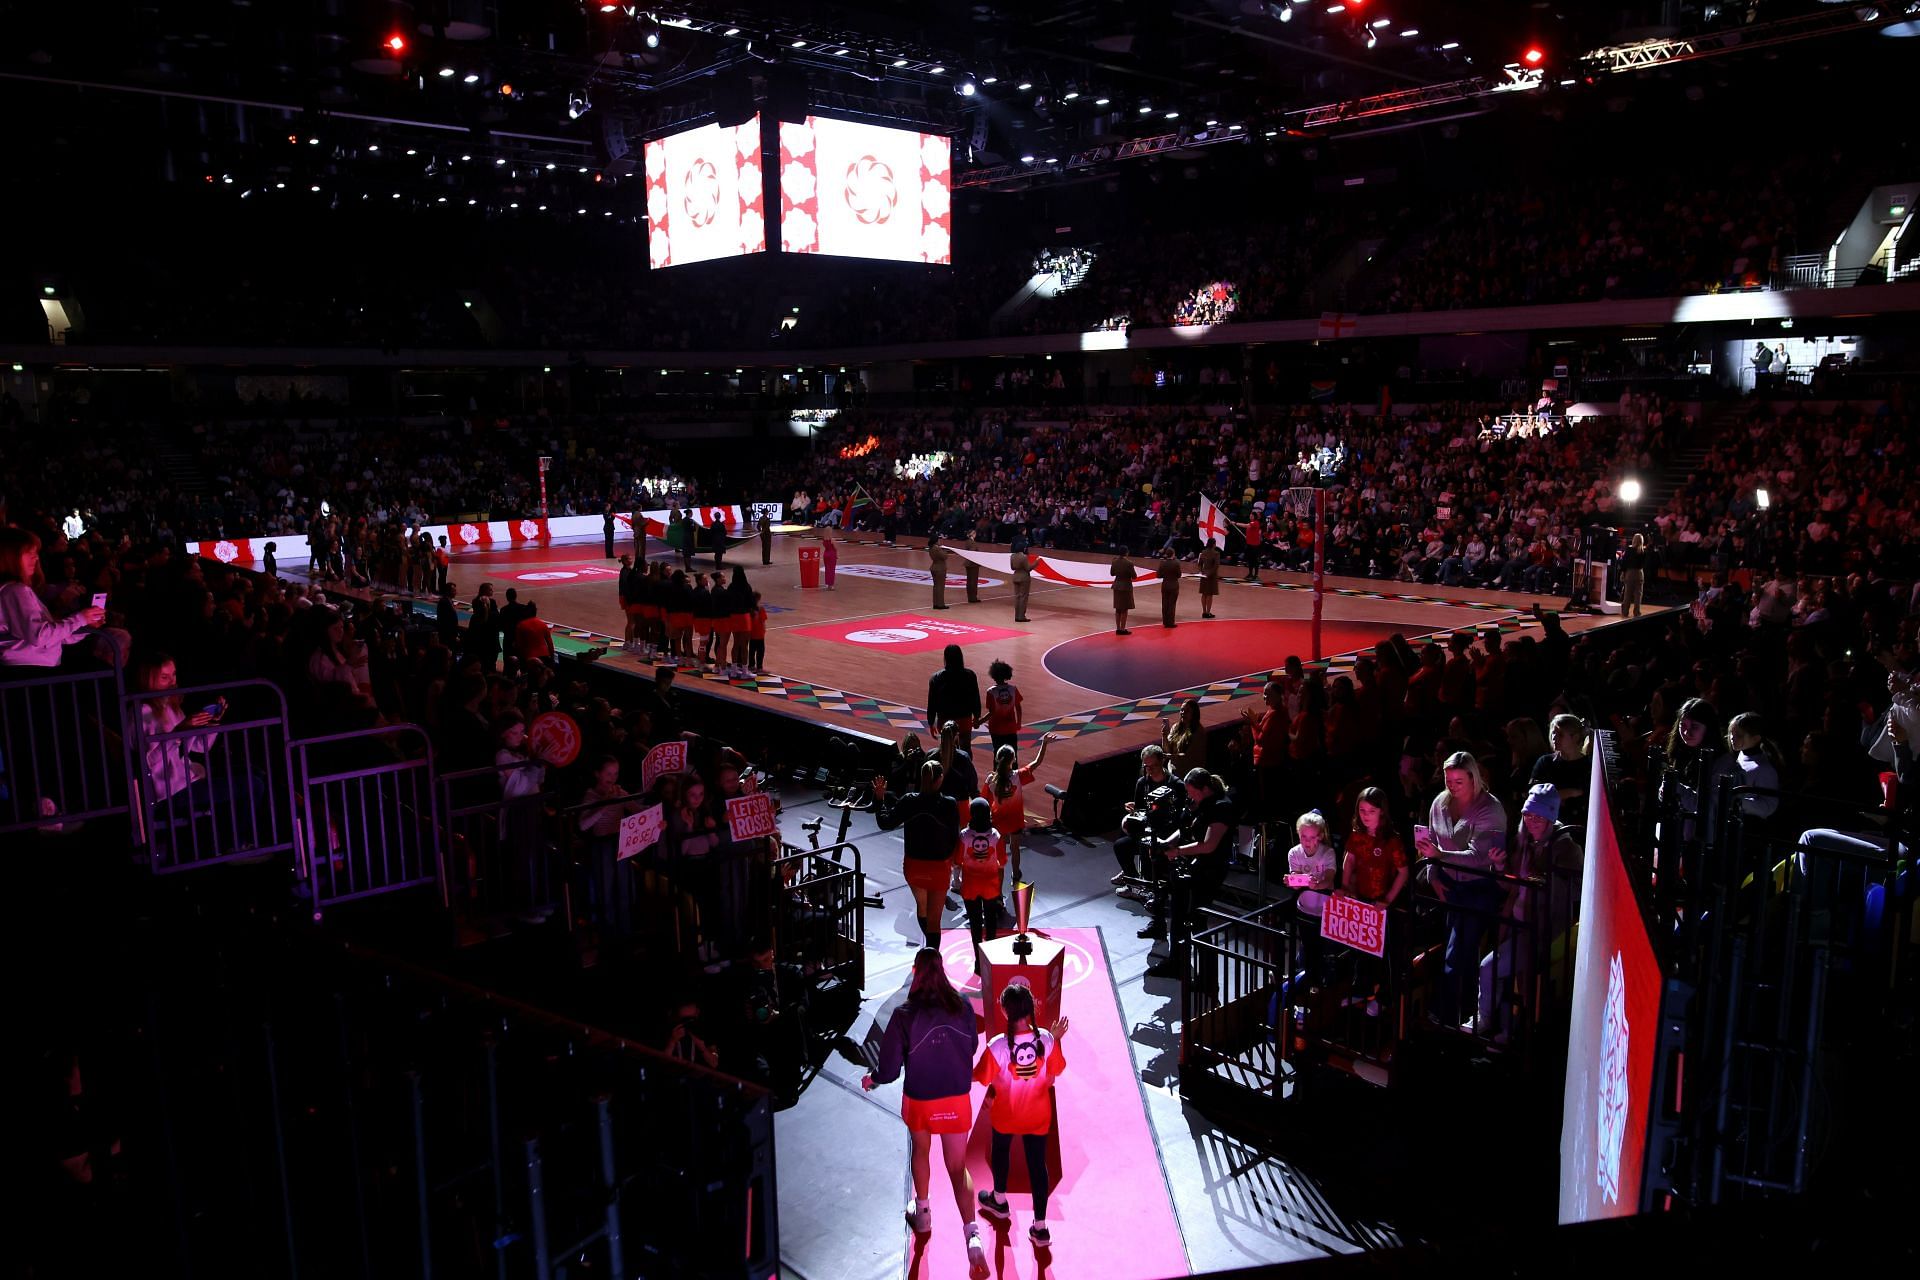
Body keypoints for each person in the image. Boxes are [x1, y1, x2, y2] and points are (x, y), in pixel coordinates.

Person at [862, 948, 987, 1273]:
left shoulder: (905, 1014)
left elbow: (888, 1069)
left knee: (921, 1151)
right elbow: (972, 1045)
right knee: (957, 1167)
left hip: (920, 1099)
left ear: (916, 972)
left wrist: (872, 1079)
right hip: (956, 1098)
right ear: (942, 970)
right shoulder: (961, 1005)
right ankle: (972, 1235)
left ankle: (924, 1212)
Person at [1476, 783, 1583, 1039]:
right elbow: (1509, 885)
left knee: (1493, 969)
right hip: (1518, 923)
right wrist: (1499, 866)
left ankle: (1500, 1027)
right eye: (1528, 815)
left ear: (1551, 816)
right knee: (1506, 975)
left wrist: (1550, 880)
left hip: (1543, 929)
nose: (1532, 821)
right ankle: (1501, 1027)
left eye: (1539, 816)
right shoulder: (1524, 841)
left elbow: (1578, 891)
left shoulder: (1565, 847)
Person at [1415, 751, 1510, 1025]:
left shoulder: (1490, 809)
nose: (1452, 786)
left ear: (1473, 778)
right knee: (1451, 949)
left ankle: (1449, 1015)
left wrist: (1439, 856)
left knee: (1459, 952)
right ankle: (1457, 1011)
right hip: (1448, 884)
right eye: (1449, 780)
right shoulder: (1439, 803)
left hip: (1478, 887)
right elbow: (1430, 841)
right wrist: (1433, 872)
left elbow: (1480, 857)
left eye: (1459, 781)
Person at [973, 982, 1069, 1248]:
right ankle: (1040, 1228)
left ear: (1005, 1012)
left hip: (1006, 1115)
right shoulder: (1047, 1040)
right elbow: (1058, 1070)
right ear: (1031, 1009)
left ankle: (999, 1201)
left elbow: (981, 1077)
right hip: (1037, 1116)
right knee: (1038, 1166)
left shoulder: (997, 1046)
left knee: (1000, 1152)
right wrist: (1057, 1039)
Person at [1144, 768, 1237, 976]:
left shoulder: (1222, 808)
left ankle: (1207, 975)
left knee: (1196, 919)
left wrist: (1177, 851)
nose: (1190, 796)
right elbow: (1186, 828)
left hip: (1209, 870)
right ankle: (1177, 962)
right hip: (1192, 867)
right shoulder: (1198, 804)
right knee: (1178, 915)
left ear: (1204, 789)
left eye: (1192, 791)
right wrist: (1168, 843)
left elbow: (1208, 845)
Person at [874, 759, 962, 950]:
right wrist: (956, 861)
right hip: (939, 868)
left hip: (914, 867)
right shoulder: (948, 804)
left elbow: (885, 823)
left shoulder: (908, 801)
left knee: (922, 907)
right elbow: (955, 836)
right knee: (934, 921)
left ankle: (929, 952)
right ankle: (933, 957)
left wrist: (879, 800)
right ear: (939, 780)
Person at [1341, 786, 1409, 1016]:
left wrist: (1388, 899)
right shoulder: (1356, 835)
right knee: (1360, 948)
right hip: (1360, 899)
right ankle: (1360, 990)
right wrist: (1346, 886)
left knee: (1382, 953)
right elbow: (1349, 861)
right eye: (1362, 810)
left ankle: (1382, 998)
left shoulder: (1391, 840)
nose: (1366, 815)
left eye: (1371, 810)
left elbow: (1403, 872)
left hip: (1381, 904)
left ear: (1382, 811)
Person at [0, 527, 105, 669]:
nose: (35, 558)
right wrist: (81, 619)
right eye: (28, 552)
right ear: (10, 556)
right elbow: (40, 636)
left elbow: (53, 637)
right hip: (29, 669)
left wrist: (84, 624)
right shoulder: (15, 591)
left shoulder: (13, 591)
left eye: (36, 552)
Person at [982, 734, 1054, 886]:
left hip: (998, 821)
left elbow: (984, 801)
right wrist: (1044, 744)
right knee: (1015, 848)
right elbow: (1037, 762)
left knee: (999, 851)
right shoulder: (1017, 776)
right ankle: (1016, 873)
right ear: (1013, 760)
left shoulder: (990, 780)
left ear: (997, 759)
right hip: (1014, 820)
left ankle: (997, 877)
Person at [1113, 743, 1181, 896]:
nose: (1149, 770)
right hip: (1147, 830)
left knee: (1146, 848)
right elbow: (1141, 809)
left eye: (1153, 766)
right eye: (1146, 766)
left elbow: (1180, 817)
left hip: (1166, 833)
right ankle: (1133, 882)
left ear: (1162, 761)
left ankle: (1152, 889)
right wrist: (1135, 811)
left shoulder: (1176, 784)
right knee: (1121, 845)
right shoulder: (1142, 783)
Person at [954, 797, 1007, 975]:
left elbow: (957, 860)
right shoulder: (995, 835)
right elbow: (1002, 862)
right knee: (991, 921)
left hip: (970, 884)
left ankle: (978, 961)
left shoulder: (964, 835)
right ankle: (989, 959)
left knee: (975, 924)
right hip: (990, 884)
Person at [1286, 810, 1338, 976]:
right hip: (1304, 909)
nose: (1307, 842)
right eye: (1303, 837)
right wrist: (1295, 881)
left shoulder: (1328, 853)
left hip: (1326, 910)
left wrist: (1318, 884)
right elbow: (1294, 878)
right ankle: (1304, 978)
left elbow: (1329, 879)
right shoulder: (1294, 853)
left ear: (1320, 836)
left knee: (1326, 947)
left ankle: (1324, 979)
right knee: (1307, 945)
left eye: (1312, 837)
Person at [927, 644, 982, 744]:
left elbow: (932, 703)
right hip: (964, 720)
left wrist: (931, 722)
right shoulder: (970, 675)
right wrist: (977, 716)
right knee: (965, 749)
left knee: (946, 749)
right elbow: (975, 697)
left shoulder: (935, 678)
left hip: (944, 721)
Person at [983, 660, 1023, 759]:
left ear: (993, 675)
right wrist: (1019, 723)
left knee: (998, 754)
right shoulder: (1013, 689)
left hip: (996, 729)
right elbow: (1018, 707)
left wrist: (979, 721)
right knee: (1013, 755)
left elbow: (991, 712)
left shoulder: (991, 691)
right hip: (1011, 728)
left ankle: (998, 773)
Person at [1162, 696, 1206, 778]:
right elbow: (1167, 750)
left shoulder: (1198, 732)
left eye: (1187, 711)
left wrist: (1169, 756)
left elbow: (1189, 757)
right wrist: (1164, 735)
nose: (1183, 712)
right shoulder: (1176, 727)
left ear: (1194, 714)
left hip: (1190, 774)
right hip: (1173, 771)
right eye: (1181, 710)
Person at [1618, 533, 1648, 617]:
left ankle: (1625, 612)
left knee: (1627, 594)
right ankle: (1637, 612)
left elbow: (1624, 563)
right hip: (1639, 573)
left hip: (1630, 573)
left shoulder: (1629, 550)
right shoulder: (1643, 551)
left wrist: (1622, 573)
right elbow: (1644, 564)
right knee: (1638, 595)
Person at [1109, 546, 1136, 636]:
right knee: (1124, 609)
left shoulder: (1114, 561)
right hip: (1126, 587)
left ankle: (1118, 628)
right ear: (1126, 553)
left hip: (1116, 586)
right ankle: (1123, 629)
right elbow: (1134, 576)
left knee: (1118, 608)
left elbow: (1112, 573)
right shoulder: (1129, 563)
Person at [1157, 546, 1181, 628]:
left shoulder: (1162, 563)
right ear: (1173, 554)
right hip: (1174, 585)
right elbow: (1179, 575)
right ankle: (1171, 622)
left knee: (1165, 603)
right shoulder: (1176, 563)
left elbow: (1158, 575)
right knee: (1172, 604)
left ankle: (1165, 622)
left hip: (1165, 584)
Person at [1196, 540, 1222, 618]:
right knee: (1210, 594)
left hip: (1203, 575)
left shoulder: (1203, 552)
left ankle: (1204, 612)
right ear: (1214, 544)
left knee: (1204, 593)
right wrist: (1209, 574)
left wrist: (1201, 572)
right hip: (1211, 577)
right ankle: (1208, 612)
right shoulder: (1216, 553)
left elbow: (1199, 564)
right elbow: (1216, 566)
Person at [1009, 544, 1032, 622]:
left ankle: (1017, 616)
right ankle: (1021, 616)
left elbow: (1012, 568)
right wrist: (1036, 563)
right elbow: (1028, 568)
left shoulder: (1012, 556)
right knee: (1023, 597)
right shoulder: (1024, 557)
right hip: (1024, 578)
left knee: (1017, 597)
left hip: (1015, 577)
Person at [747, 591, 769, 673]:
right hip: (759, 633)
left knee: (752, 650)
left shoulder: (749, 610)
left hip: (751, 633)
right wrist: (764, 630)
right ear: (758, 599)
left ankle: (751, 665)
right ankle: (759, 667)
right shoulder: (761, 609)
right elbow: (763, 621)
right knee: (760, 651)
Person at [928, 535, 951, 610]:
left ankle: (935, 603)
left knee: (936, 586)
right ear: (936, 541)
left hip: (934, 567)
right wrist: (944, 550)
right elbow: (945, 556)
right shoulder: (937, 549)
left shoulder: (931, 548)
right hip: (940, 568)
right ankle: (940, 604)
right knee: (940, 587)